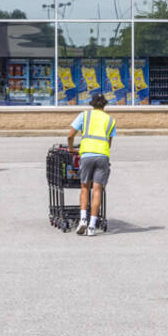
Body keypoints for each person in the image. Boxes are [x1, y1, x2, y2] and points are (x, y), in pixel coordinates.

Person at [66, 93, 116, 236]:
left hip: (86, 154)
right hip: (102, 155)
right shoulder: (111, 120)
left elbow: (70, 135)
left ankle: (83, 220)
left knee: (84, 188)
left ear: (92, 104)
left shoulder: (84, 116)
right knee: (97, 190)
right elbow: (109, 143)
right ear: (104, 104)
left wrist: (70, 148)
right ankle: (92, 225)